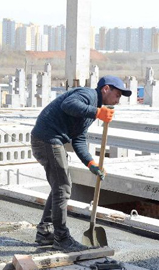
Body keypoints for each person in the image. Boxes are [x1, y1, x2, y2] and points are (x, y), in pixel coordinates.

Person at [30, 76, 131, 252]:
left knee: (59, 187)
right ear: (106, 89)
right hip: (48, 139)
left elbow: (79, 137)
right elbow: (68, 105)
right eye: (117, 94)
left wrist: (90, 163)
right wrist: (97, 113)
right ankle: (61, 238)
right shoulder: (88, 95)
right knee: (63, 187)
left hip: (49, 140)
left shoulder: (92, 107)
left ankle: (45, 231)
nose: (118, 100)